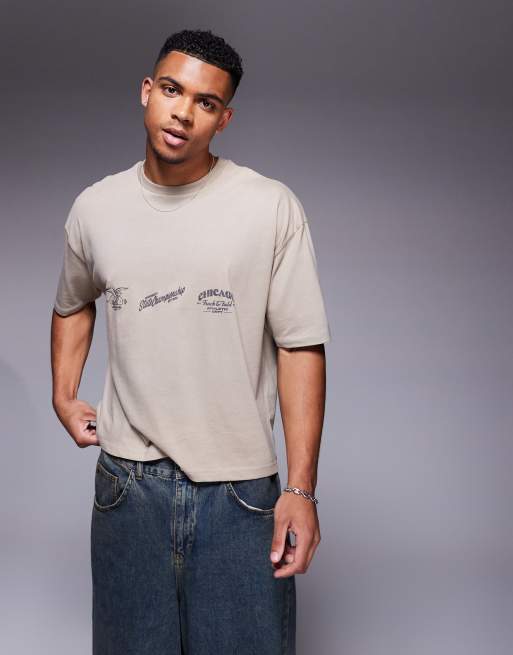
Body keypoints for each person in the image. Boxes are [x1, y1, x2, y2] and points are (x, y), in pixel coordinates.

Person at [50, 28, 331, 655]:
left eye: (206, 102)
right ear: (147, 91)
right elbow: (72, 302)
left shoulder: (269, 207)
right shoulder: (95, 208)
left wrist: (301, 489)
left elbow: (300, 347)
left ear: (223, 119)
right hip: (128, 490)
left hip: (239, 495)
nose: (183, 112)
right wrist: (64, 395)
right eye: (173, 91)